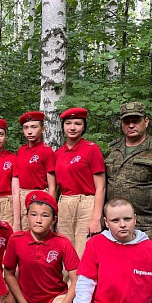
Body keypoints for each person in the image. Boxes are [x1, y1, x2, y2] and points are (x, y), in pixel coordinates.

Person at [104, 102, 152, 239]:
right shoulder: (111, 149)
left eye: (136, 121)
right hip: (114, 225)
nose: (131, 125)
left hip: (148, 226)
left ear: (146, 121)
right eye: (127, 122)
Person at [54, 107, 106, 257]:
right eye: (68, 123)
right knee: (65, 249)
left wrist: (96, 218)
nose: (72, 127)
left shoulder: (91, 149)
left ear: (84, 127)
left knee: (84, 250)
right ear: (63, 126)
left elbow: (100, 187)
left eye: (77, 123)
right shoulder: (58, 153)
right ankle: (67, 281)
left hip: (86, 202)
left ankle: (82, 281)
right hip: (64, 203)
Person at [16, 111, 57, 231]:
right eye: (26, 128)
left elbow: (52, 186)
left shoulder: (47, 151)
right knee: (24, 232)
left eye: (34, 127)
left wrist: (50, 206)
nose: (29, 131)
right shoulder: (21, 151)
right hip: (23, 195)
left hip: (41, 195)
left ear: (43, 129)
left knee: (41, 230)